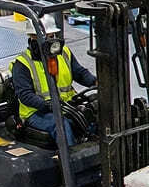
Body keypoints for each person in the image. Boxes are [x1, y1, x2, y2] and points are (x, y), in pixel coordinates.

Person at [10, 14, 96, 144]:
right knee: (61, 125)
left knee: (93, 113)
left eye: (52, 37)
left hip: (66, 105)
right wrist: (47, 105)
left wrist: (96, 82)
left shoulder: (64, 52)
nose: (51, 41)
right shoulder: (23, 63)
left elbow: (79, 73)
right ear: (32, 38)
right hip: (36, 112)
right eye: (47, 38)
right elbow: (25, 95)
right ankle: (71, 155)